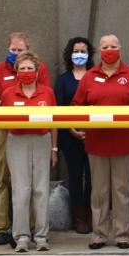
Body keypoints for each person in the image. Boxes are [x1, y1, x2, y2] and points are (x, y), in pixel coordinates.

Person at [73, 34, 129, 249]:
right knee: (99, 191)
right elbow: (76, 106)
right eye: (105, 46)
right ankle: (99, 234)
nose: (109, 50)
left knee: (121, 190)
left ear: (120, 48)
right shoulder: (89, 76)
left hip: (124, 142)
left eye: (113, 46)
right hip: (96, 142)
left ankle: (122, 233)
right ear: (99, 51)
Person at [0, 32, 51, 246]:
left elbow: (48, 101)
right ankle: (3, 227)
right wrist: (5, 108)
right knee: (5, 177)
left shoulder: (41, 74)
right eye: (13, 49)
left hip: (36, 132)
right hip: (8, 130)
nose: (16, 53)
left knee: (33, 184)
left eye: (20, 50)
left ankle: (32, 229)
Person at [2, 52, 57, 252]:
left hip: (42, 140)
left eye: (30, 68)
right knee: (20, 189)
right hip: (17, 141)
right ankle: (22, 237)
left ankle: (42, 236)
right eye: (22, 68)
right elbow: (1, 123)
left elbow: (54, 123)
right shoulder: (8, 94)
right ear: (17, 71)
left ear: (37, 71)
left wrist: (54, 147)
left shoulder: (47, 93)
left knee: (41, 189)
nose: (26, 72)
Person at [54, 37, 93, 234]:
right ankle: (79, 218)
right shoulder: (63, 80)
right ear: (70, 54)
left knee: (94, 177)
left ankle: (91, 214)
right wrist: (72, 129)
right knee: (76, 176)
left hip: (94, 135)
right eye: (76, 51)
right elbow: (59, 108)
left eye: (83, 51)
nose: (79, 54)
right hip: (70, 137)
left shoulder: (95, 76)